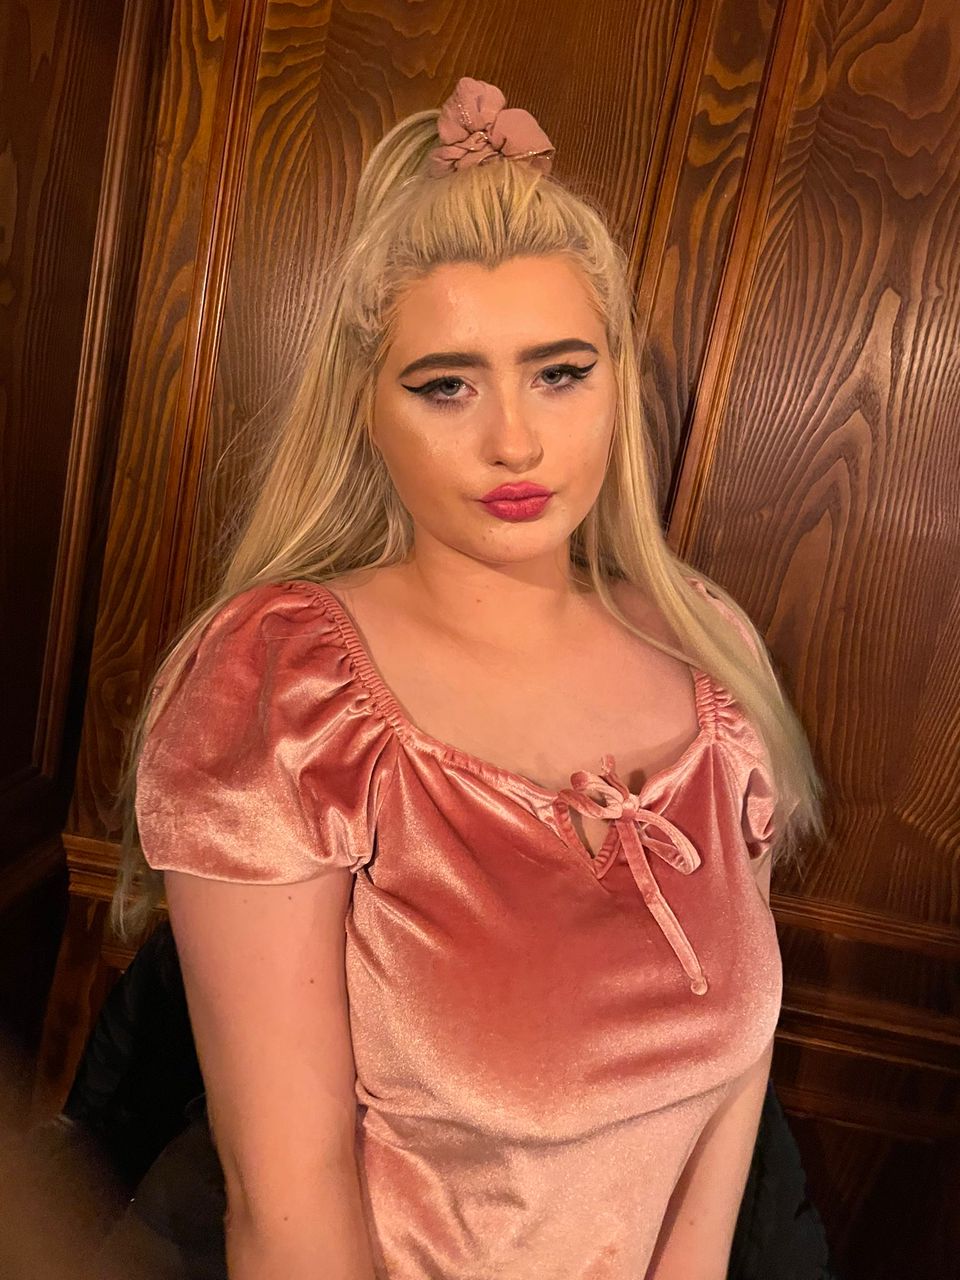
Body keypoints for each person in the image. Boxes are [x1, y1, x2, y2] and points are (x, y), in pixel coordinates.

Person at [113, 75, 825, 1280]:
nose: (514, 440)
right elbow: (287, 1212)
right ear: (365, 407)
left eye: (560, 372)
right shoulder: (283, 686)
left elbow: (729, 1096)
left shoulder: (707, 645)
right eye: (446, 383)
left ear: (616, 382)